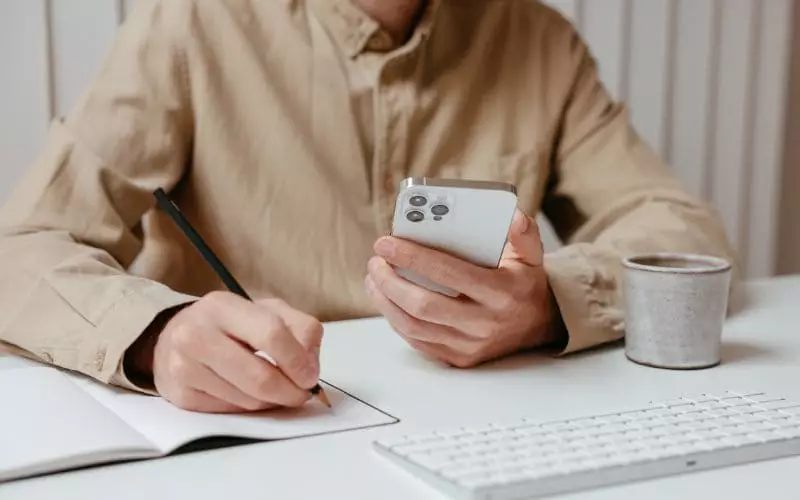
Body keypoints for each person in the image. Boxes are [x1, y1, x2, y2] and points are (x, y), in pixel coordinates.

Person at [0, 0, 737, 413]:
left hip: (484, 438)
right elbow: (21, 246)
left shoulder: (536, 38)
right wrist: (157, 334)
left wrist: (546, 304)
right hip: (254, 446)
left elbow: (679, 231)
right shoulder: (189, 24)